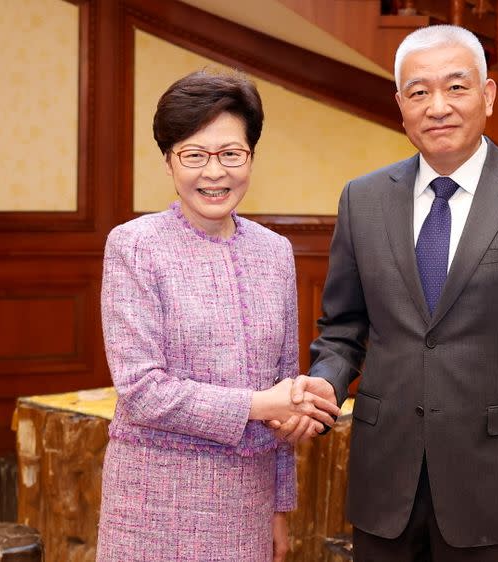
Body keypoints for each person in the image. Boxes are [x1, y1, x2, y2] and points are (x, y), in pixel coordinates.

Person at [276, 25, 498, 562]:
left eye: (456, 87)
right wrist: (326, 383)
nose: (437, 106)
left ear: (488, 96)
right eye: (419, 92)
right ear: (400, 105)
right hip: (385, 482)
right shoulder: (364, 198)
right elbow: (344, 328)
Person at [96, 69, 340, 562]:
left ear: (250, 157)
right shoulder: (134, 246)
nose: (214, 173)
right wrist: (262, 405)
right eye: (194, 155)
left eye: (231, 154)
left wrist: (280, 506)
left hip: (247, 506)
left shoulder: (275, 252)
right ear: (168, 161)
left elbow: (280, 384)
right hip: (152, 506)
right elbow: (142, 392)